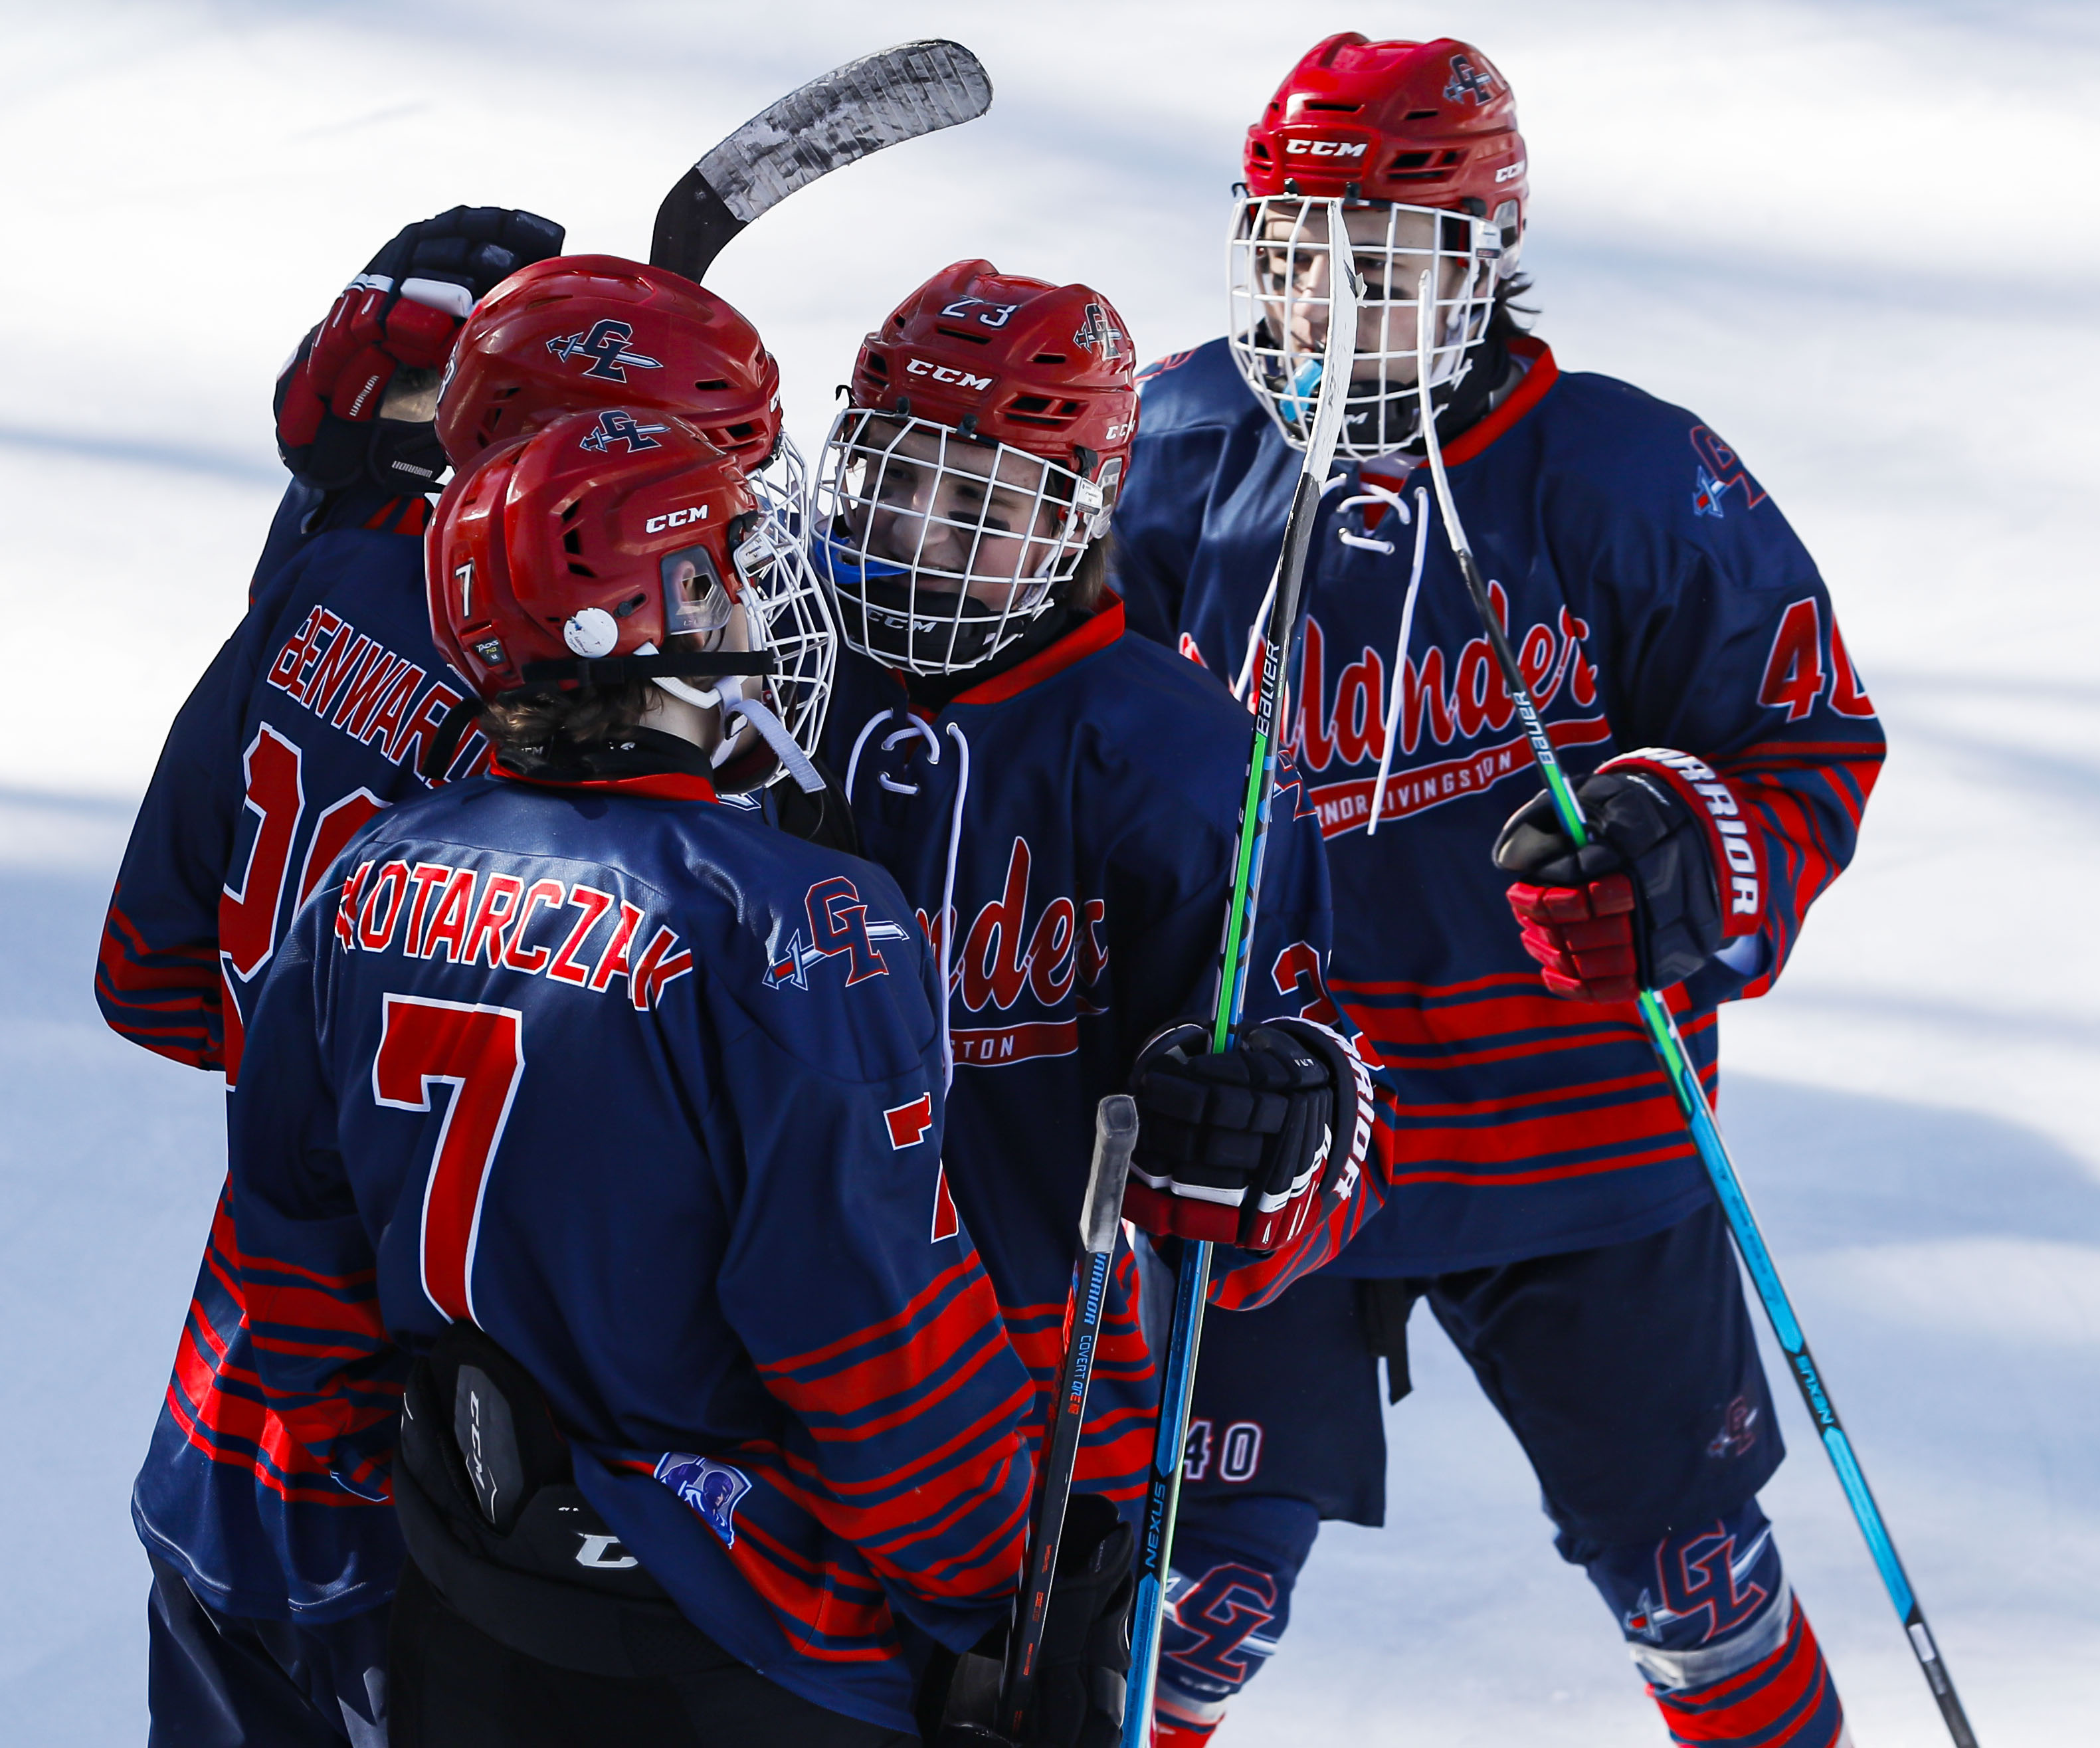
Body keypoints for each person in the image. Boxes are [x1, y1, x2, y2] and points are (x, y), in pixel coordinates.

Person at [1111, 34, 1884, 1748]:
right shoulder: (1161, 449)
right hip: (1265, 1135)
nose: (1330, 299)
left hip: (1580, 1133)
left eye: (1384, 261)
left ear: (1485, 260)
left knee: (1695, 1576)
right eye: (1294, 253)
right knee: (1190, 1599)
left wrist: (1685, 853)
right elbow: (1044, 738)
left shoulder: (1624, 472)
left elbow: (1807, 732)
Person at [100, 229, 836, 1745]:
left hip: (232, 1395)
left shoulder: (331, 582)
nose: (737, 544)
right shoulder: (610, 792)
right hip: (436, 1486)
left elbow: (152, 979)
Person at [226, 411, 1040, 1745]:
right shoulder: (794, 917)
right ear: (626, 617)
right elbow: (858, 1322)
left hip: (465, 1582)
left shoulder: (368, 872)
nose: (751, 601)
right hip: (737, 1633)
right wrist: (1000, 1590)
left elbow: (297, 1241)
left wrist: (408, 1470)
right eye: (716, 572)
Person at [807, 260, 1386, 1557]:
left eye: (980, 500)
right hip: (751, 1362)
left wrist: (1265, 1127)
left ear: (1082, 511)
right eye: (894, 475)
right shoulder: (769, 672)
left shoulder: (1184, 763)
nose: (917, 530)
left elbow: (1315, 1122)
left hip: (1034, 1402)